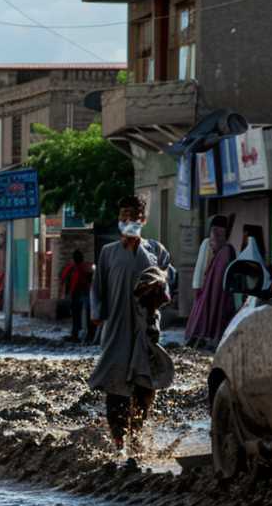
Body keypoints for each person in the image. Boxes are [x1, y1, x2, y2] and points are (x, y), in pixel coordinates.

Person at [89, 195, 174, 454]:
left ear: (143, 220)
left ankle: (137, 437)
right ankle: (118, 442)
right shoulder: (108, 253)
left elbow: (167, 287)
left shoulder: (157, 251)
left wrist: (158, 287)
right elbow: (98, 289)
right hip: (116, 329)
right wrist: (97, 314)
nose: (128, 222)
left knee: (144, 386)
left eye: (134, 218)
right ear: (119, 220)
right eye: (124, 217)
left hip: (145, 329)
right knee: (115, 387)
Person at [184, 215, 237, 350]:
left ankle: (205, 339)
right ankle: (200, 339)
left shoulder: (226, 249)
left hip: (213, 289)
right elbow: (201, 266)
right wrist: (198, 286)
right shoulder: (212, 245)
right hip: (206, 288)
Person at [59, 249, 94, 342]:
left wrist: (66, 293)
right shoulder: (86, 267)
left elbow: (63, 279)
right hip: (84, 293)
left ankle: (77, 334)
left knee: (77, 315)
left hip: (77, 293)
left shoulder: (71, 268)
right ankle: (88, 334)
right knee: (86, 314)